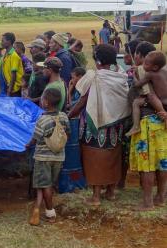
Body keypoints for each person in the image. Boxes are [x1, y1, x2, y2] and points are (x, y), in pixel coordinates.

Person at [69, 44, 130, 206]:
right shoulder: (120, 74)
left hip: (95, 127)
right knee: (113, 157)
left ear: (98, 61)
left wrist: (68, 116)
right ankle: (110, 192)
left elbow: (82, 101)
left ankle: (95, 197)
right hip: (116, 127)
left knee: (94, 159)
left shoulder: (94, 77)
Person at [129, 52, 167, 210]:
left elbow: (145, 93)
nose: (140, 62)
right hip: (163, 123)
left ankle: (147, 202)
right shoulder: (164, 72)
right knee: (163, 162)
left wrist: (133, 76)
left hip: (149, 123)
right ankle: (160, 197)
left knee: (148, 165)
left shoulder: (145, 73)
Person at [27, 88, 70, 226]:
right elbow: (67, 133)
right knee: (46, 184)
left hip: (43, 157)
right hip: (58, 157)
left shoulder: (43, 120)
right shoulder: (63, 116)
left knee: (45, 185)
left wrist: (27, 145)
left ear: (45, 102)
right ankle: (36, 209)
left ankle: (50, 212)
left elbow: (36, 139)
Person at [59, 67, 87, 194]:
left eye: (74, 77)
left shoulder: (83, 91)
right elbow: (70, 104)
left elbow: (71, 106)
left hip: (80, 124)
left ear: (81, 77)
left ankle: (76, 181)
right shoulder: (77, 91)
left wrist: (70, 91)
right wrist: (70, 90)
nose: (72, 80)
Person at [125, 42, 159, 136]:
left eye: (135, 53)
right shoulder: (153, 69)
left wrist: (146, 101)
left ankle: (136, 127)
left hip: (147, 122)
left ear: (139, 54)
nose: (134, 56)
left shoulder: (141, 70)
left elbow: (148, 91)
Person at [0, 32, 24, 97]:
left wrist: (9, 90)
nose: (1, 42)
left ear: (9, 41)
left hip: (14, 89)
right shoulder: (6, 54)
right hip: (9, 86)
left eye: (3, 40)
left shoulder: (14, 56)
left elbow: (14, 74)